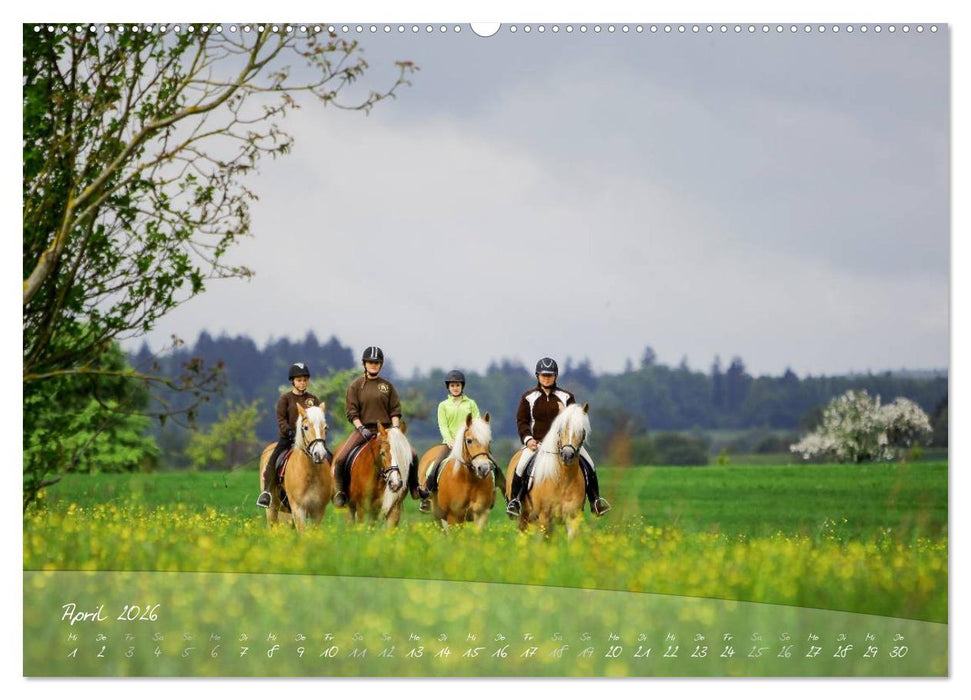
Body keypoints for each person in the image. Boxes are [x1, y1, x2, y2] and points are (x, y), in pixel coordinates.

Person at [506, 357, 611, 517]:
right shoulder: (528, 397)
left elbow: (575, 420)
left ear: (555, 376)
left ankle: (595, 500)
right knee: (521, 466)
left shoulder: (566, 396)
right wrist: (528, 439)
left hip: (566, 443)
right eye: (543, 375)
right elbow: (522, 421)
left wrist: (567, 415)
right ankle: (516, 501)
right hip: (538, 443)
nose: (546, 378)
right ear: (537, 376)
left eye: (550, 375)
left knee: (589, 464)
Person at [331, 346, 414, 507]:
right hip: (363, 430)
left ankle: (415, 488)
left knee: (413, 455)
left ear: (380, 365)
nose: (373, 365)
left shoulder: (387, 386)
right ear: (364, 364)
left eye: (376, 363)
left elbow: (395, 410)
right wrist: (361, 428)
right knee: (341, 459)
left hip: (387, 431)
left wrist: (395, 430)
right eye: (370, 362)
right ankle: (341, 492)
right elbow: (352, 412)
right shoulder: (355, 386)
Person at [256, 362, 323, 508]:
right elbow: (281, 420)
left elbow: (318, 420)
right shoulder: (285, 399)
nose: (302, 383)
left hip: (310, 440)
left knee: (327, 457)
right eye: (299, 380)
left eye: (305, 380)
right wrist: (290, 431)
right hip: (288, 439)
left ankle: (330, 489)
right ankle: (266, 492)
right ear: (292, 381)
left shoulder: (313, 400)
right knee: (273, 460)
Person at [418, 370, 481, 513]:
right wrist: (449, 440)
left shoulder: (471, 403)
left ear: (462, 386)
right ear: (448, 387)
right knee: (434, 467)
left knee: (491, 464)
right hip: (450, 443)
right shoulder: (443, 405)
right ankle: (427, 497)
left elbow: (477, 422)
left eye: (457, 385)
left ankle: (498, 493)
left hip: (469, 443)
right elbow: (443, 425)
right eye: (452, 385)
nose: (455, 388)